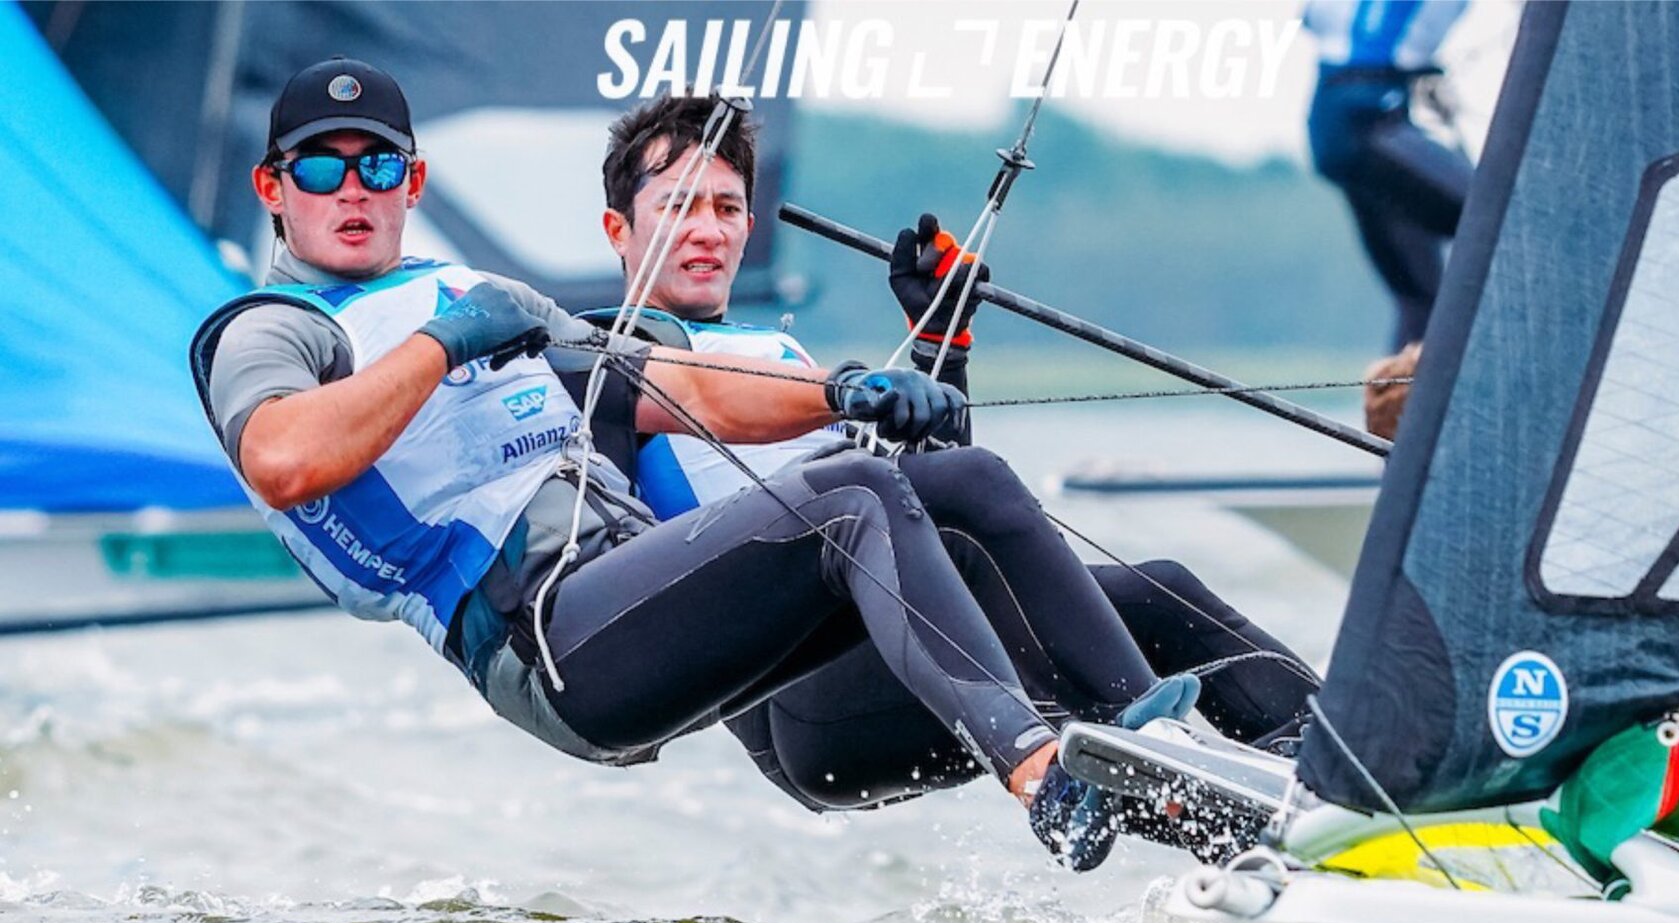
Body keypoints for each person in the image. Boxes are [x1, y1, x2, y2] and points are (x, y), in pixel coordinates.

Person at [188, 59, 1205, 872]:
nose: (351, 189)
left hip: (637, 587)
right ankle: (1041, 773)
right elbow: (283, 459)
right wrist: (444, 345)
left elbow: (691, 391)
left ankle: (1176, 755)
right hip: (546, 641)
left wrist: (847, 392)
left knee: (959, 485)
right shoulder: (272, 327)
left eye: (377, 167)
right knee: (851, 495)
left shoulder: (468, 289)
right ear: (273, 188)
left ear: (412, 183)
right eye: (320, 170)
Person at [580, 96, 1319, 817]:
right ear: (619, 229)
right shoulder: (600, 364)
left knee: (1159, 594)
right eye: (679, 207)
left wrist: (941, 350)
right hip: (801, 707)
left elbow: (941, 526)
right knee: (973, 490)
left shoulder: (774, 350)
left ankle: (1324, 788)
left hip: (900, 648)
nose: (707, 230)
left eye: (727, 208)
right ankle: (1154, 739)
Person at [1304, 1, 1474, 348]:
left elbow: (1313, 18)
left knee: (1422, 305)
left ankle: (1407, 384)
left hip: (1340, 119)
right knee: (1500, 215)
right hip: (1369, 118)